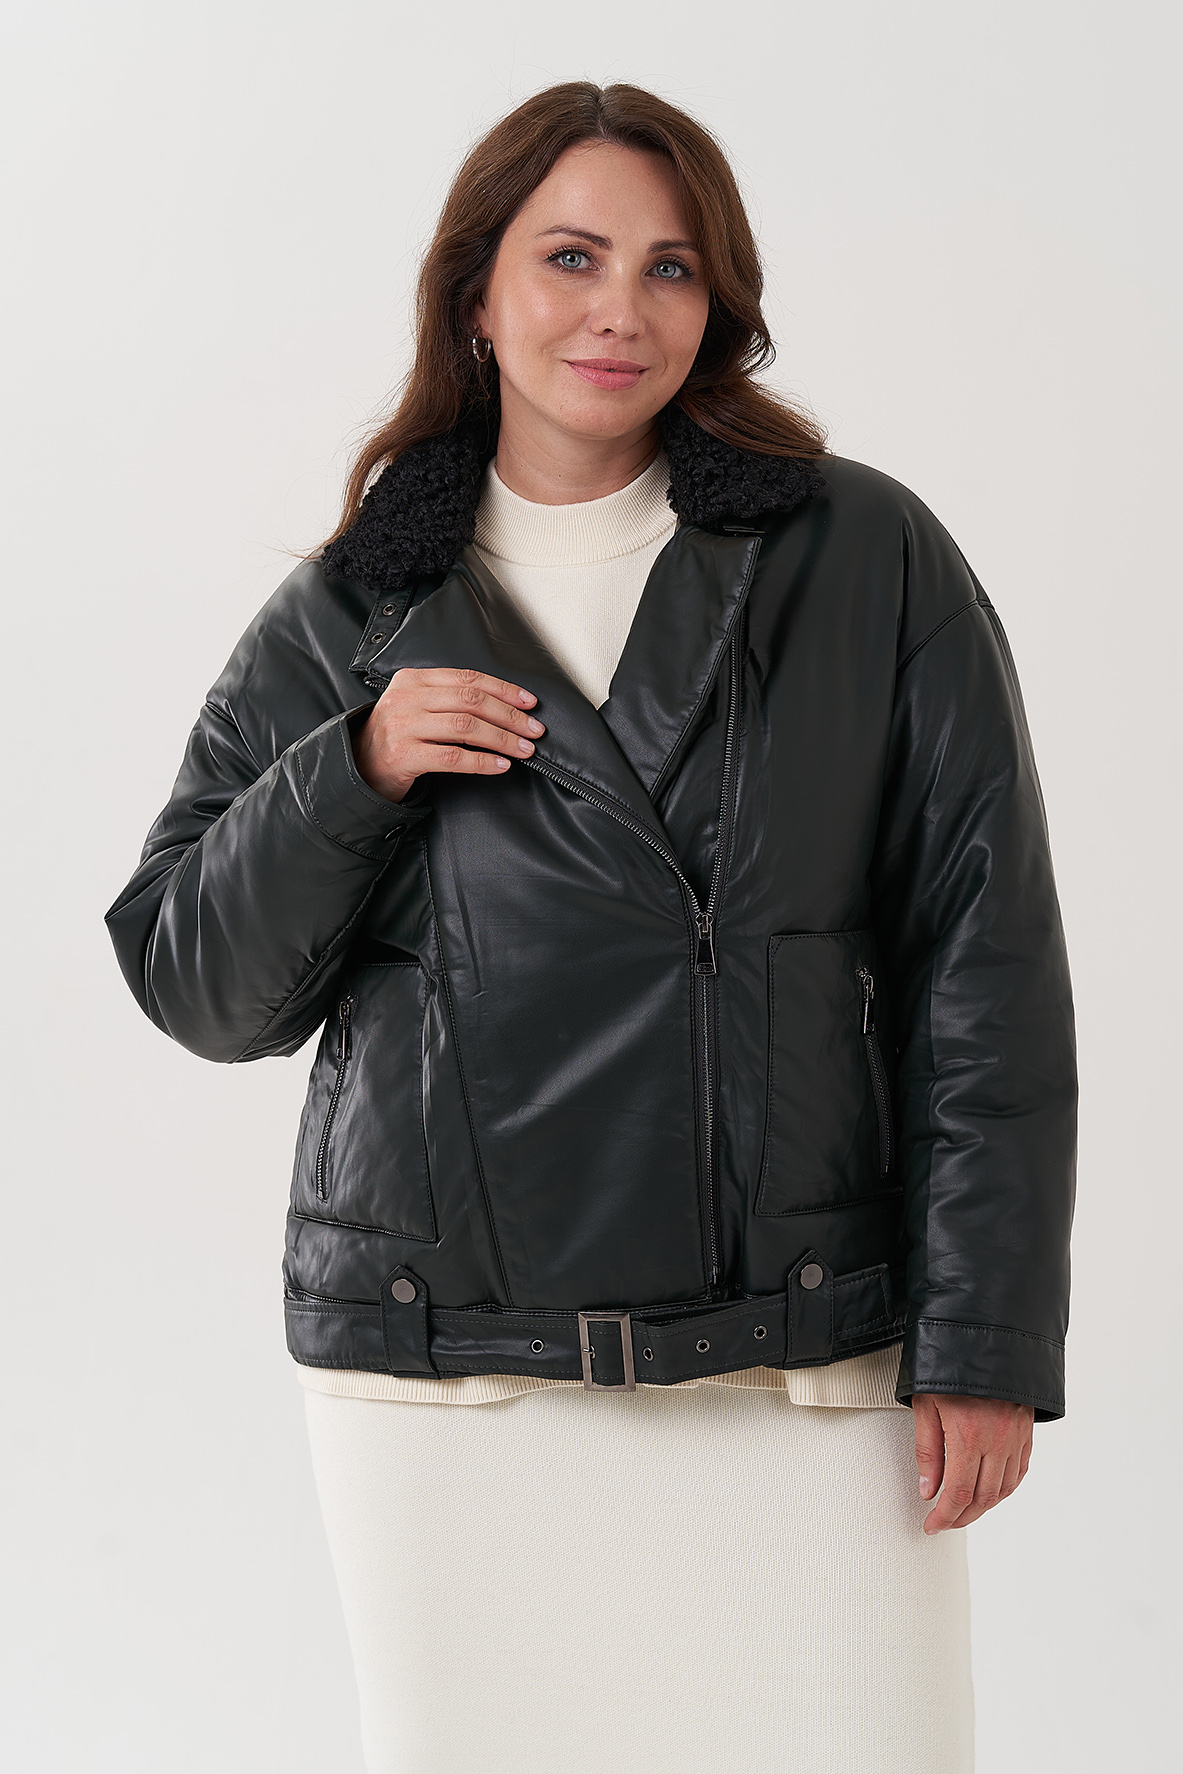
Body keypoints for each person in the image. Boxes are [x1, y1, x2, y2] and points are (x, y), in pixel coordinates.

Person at [106, 80, 1077, 1774]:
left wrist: (984, 1337)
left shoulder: (863, 559)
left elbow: (983, 964)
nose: (619, 308)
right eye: (570, 257)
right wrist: (355, 769)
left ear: (719, 307)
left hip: (797, 1361)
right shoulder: (355, 606)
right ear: (477, 296)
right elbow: (194, 980)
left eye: (669, 268)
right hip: (452, 1387)